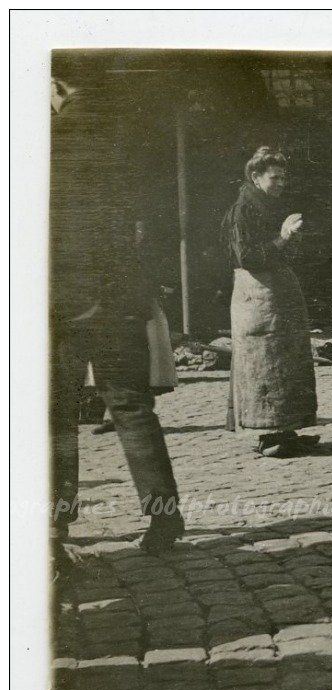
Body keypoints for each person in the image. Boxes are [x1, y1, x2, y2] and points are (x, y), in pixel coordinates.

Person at [50, 63, 184, 560]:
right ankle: (165, 518)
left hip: (61, 302)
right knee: (131, 409)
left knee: (55, 418)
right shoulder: (129, 132)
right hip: (120, 298)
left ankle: (54, 527)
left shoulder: (51, 136)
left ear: (58, 84)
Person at [222, 147, 319, 458]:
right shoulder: (244, 210)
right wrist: (284, 238)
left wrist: (292, 240)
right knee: (264, 361)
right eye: (274, 177)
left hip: (276, 294)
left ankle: (286, 428)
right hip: (257, 297)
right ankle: (268, 434)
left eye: (283, 178)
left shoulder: (269, 205)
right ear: (255, 177)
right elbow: (246, 256)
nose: (281, 183)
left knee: (285, 360)